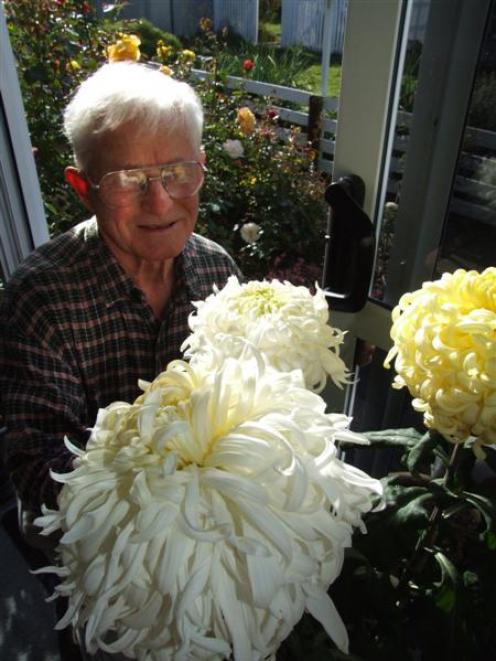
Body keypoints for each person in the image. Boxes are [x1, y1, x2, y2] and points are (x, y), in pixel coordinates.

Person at [0, 61, 241, 546]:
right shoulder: (39, 300)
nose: (160, 203)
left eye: (176, 173)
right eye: (129, 180)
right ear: (83, 188)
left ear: (201, 170)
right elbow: (36, 470)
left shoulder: (220, 270)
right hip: (104, 564)